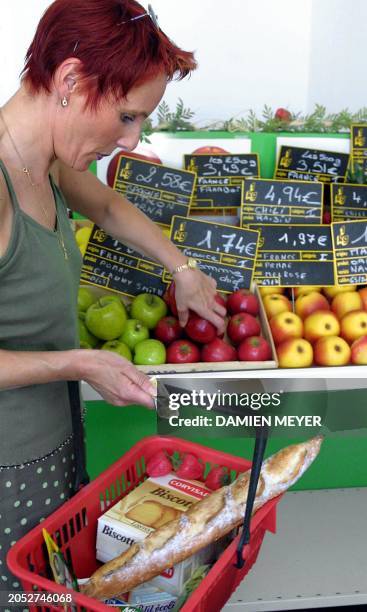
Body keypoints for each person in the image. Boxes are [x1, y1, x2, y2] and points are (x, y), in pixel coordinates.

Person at [0, 0, 226, 592]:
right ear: (71, 80)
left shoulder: (44, 160)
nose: (132, 140)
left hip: (48, 441)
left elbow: (105, 205)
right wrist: (76, 362)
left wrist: (182, 268)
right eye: (126, 116)